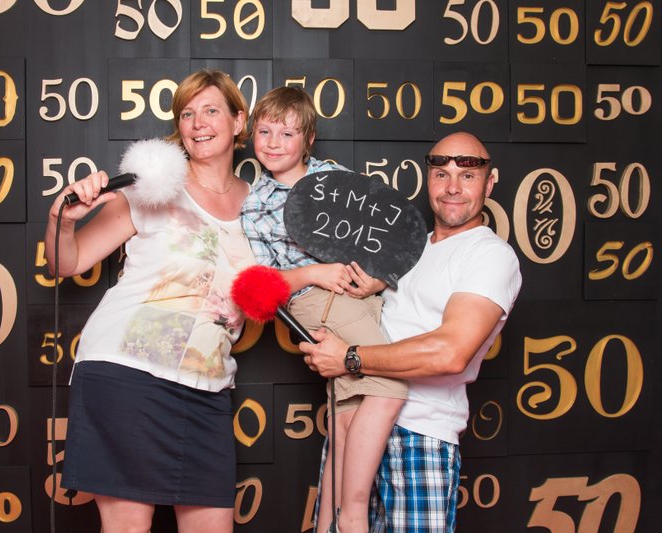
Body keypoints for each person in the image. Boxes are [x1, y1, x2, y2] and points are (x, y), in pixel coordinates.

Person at [44, 69, 255, 533]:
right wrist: (62, 221)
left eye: (211, 110)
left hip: (208, 385)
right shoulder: (153, 187)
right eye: (187, 114)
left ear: (239, 122)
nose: (198, 123)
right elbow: (68, 262)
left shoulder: (261, 203)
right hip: (129, 373)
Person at [300, 132, 522, 533]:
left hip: (420, 435)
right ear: (428, 179)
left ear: (489, 184)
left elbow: (450, 352)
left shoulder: (489, 255)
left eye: (468, 176)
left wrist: (349, 357)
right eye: (441, 174)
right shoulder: (408, 247)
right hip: (356, 420)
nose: (452, 187)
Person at [240, 86, 409, 533]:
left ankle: (331, 522)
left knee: (350, 407)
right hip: (315, 302)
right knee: (390, 382)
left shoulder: (332, 176)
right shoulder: (255, 204)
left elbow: (378, 233)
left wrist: (376, 278)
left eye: (287, 133)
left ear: (309, 139)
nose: (274, 143)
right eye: (265, 132)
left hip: (362, 297)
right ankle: (353, 516)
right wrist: (316, 273)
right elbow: (265, 286)